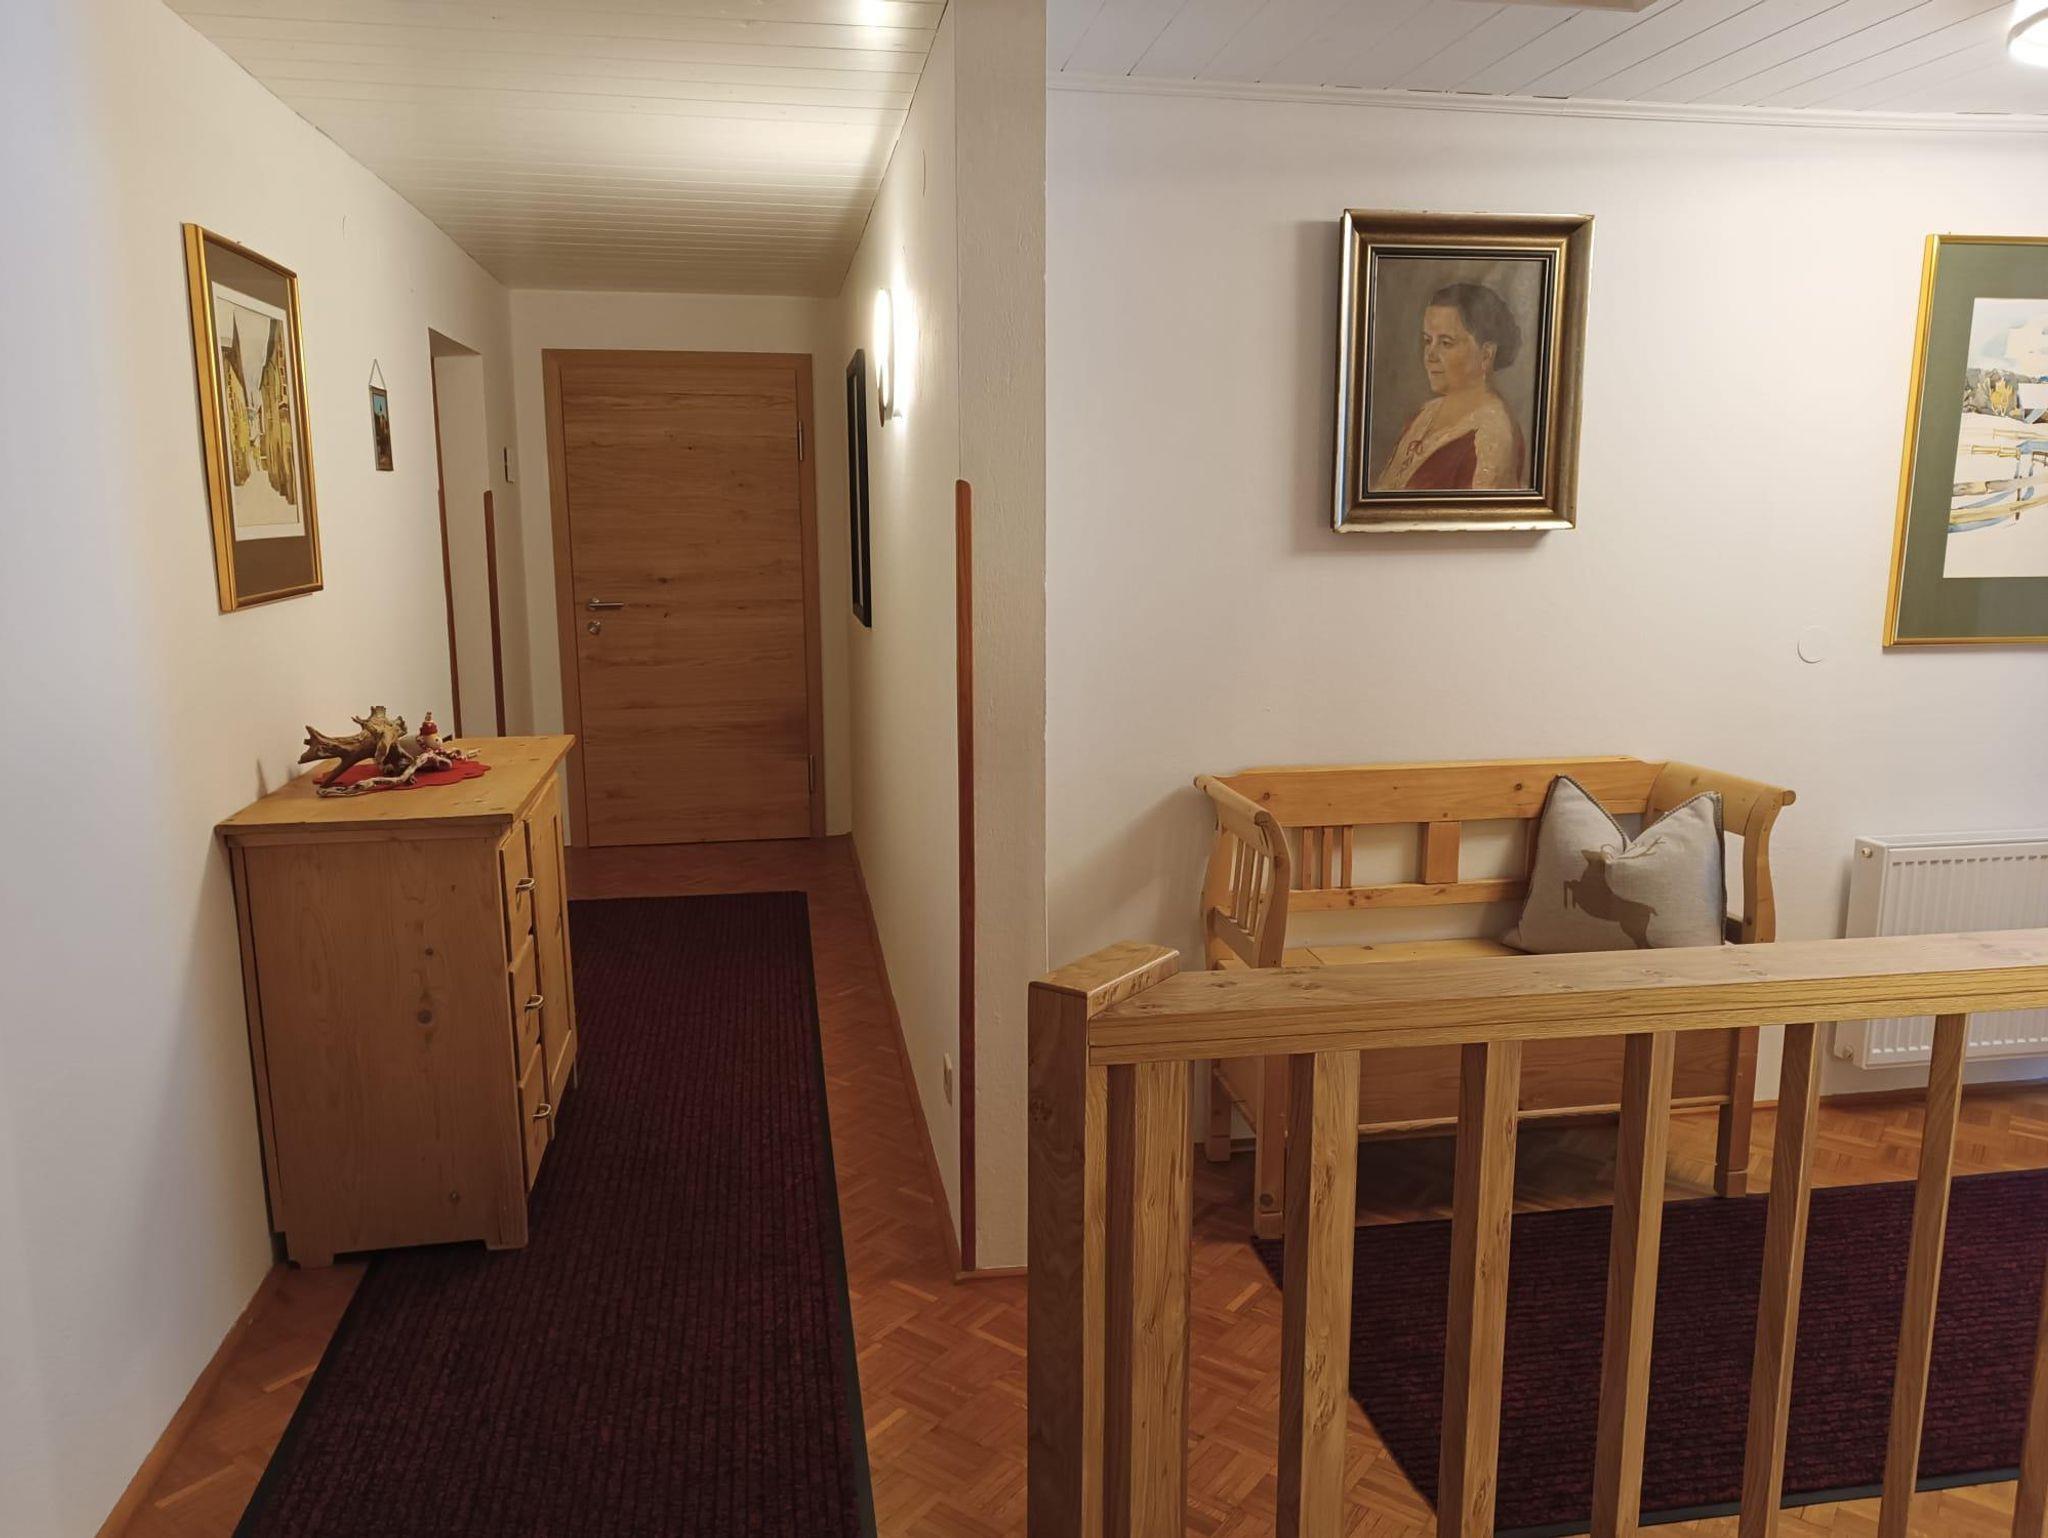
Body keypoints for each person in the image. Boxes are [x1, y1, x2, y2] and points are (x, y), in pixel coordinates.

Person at [1373, 282, 1528, 491]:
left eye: (1446, 343)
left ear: (1486, 354)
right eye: (1428, 341)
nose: (1430, 355)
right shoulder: (1425, 414)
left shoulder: (1493, 435)